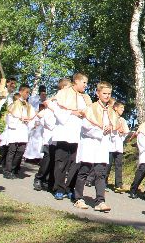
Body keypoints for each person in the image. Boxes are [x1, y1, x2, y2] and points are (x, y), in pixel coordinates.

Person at [46, 73, 91, 201]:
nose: (85, 86)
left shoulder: (85, 97)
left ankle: (69, 187)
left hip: (78, 134)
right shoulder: (64, 93)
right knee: (61, 163)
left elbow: (89, 112)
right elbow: (54, 106)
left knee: (75, 163)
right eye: (84, 83)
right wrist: (72, 112)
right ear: (76, 81)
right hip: (64, 132)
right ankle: (59, 188)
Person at [73, 81, 116, 212]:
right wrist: (101, 131)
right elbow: (85, 126)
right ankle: (78, 198)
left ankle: (100, 201)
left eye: (109, 94)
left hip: (102, 146)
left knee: (100, 174)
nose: (107, 96)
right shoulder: (90, 108)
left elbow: (114, 128)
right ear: (98, 93)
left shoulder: (110, 111)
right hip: (90, 144)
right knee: (84, 171)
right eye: (104, 93)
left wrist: (110, 129)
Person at [33, 78, 69, 191]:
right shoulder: (53, 102)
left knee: (56, 161)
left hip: (60, 137)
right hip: (50, 136)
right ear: (63, 88)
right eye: (68, 88)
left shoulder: (65, 103)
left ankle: (49, 181)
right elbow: (47, 120)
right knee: (47, 160)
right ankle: (39, 178)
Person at [3, 85, 36, 179]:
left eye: (29, 93)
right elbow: (10, 117)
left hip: (23, 131)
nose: (27, 94)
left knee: (20, 151)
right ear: (21, 92)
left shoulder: (29, 106)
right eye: (26, 92)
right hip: (15, 130)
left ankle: (13, 168)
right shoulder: (14, 104)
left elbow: (32, 117)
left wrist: (30, 122)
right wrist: (20, 119)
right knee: (12, 151)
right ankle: (7, 170)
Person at [0, 77, 18, 170]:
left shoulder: (12, 96)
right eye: (12, 83)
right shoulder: (2, 93)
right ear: (7, 83)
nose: (13, 86)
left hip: (9, 123)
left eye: (14, 84)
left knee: (6, 145)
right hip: (0, 122)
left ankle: (1, 164)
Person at [107, 101, 130, 193]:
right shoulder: (110, 118)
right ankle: (103, 182)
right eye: (121, 108)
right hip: (110, 144)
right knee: (108, 164)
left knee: (118, 165)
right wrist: (115, 129)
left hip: (119, 145)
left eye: (123, 109)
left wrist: (123, 132)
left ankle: (118, 184)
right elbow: (107, 129)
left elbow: (126, 131)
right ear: (115, 108)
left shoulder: (123, 120)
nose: (123, 110)